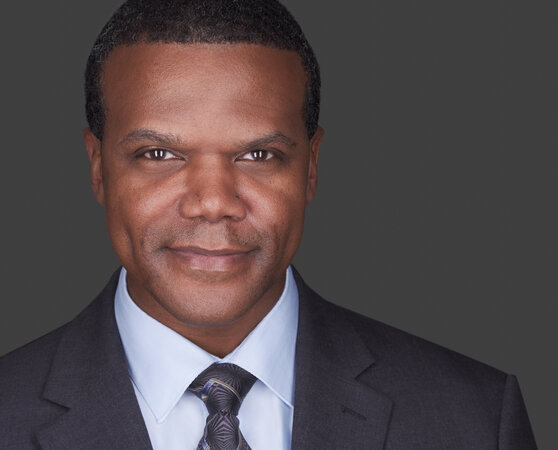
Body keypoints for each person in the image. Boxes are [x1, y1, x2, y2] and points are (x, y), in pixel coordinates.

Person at [0, 0, 537, 449]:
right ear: (98, 167)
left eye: (258, 155)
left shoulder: (477, 419)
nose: (213, 203)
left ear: (311, 167)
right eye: (159, 154)